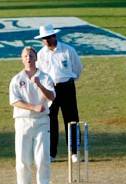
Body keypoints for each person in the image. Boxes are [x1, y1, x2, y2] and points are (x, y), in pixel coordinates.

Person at [9, 46, 55, 184]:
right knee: (23, 160)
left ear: (36, 58)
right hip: (22, 122)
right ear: (22, 59)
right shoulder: (17, 79)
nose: (28, 58)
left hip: (41, 122)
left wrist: (39, 85)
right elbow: (14, 101)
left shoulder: (45, 77)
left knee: (42, 159)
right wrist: (33, 107)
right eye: (25, 56)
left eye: (31, 55)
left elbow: (51, 96)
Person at [35, 23, 83, 162]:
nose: (47, 40)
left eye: (49, 37)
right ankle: (51, 153)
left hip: (67, 86)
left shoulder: (68, 50)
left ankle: (74, 152)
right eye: (44, 38)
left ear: (54, 36)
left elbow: (78, 68)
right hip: (50, 89)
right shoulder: (41, 54)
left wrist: (69, 80)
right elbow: (40, 73)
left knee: (71, 118)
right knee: (50, 120)